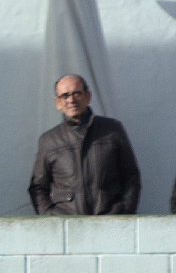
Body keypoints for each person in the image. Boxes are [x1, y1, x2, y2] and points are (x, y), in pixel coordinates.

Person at [29, 74, 141, 215]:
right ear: (57, 102)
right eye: (65, 96)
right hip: (67, 225)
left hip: (110, 221)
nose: (71, 100)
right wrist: (50, 218)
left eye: (76, 93)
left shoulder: (112, 130)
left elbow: (131, 176)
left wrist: (123, 211)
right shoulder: (49, 140)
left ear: (88, 96)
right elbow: (38, 187)